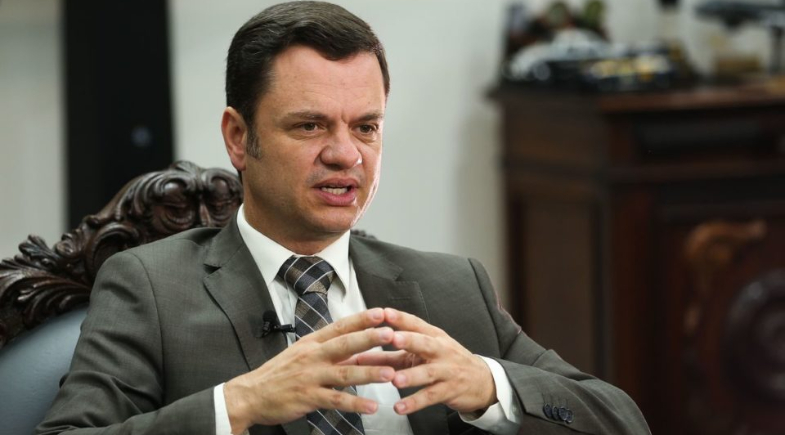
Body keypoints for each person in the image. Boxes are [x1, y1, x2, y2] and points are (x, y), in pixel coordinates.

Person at [37, 2, 650, 435]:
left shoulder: (451, 288)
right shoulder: (150, 287)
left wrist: (490, 386)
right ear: (238, 137)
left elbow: (620, 419)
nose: (345, 154)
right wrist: (238, 404)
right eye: (310, 126)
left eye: (366, 127)